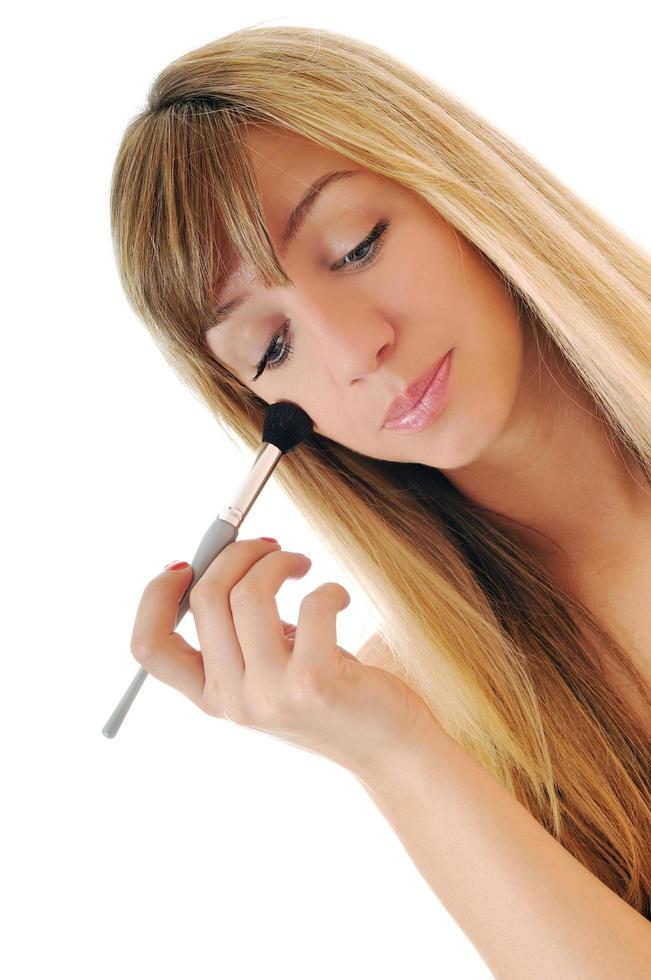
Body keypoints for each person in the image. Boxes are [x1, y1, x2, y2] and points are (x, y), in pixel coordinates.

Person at [110, 23, 651, 965]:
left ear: (451, 187)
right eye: (271, 348)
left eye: (355, 246)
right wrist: (395, 752)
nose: (356, 351)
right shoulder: (422, 701)